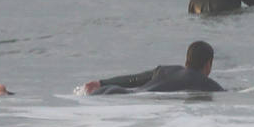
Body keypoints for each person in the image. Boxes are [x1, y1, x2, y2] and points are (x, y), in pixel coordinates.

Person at [81, 40, 225, 95]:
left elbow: (134, 79)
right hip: (122, 97)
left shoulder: (166, 69)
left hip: (114, 91)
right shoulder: (206, 83)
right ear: (208, 64)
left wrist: (101, 83)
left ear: (187, 60)